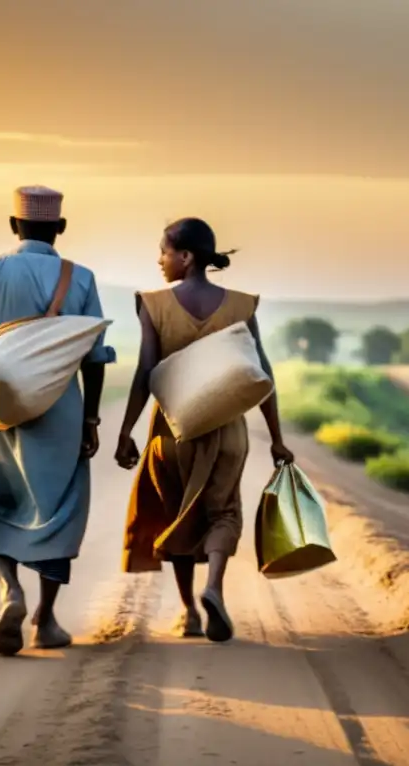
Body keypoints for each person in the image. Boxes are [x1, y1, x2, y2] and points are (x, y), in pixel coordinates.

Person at [0, 185, 115, 657]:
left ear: (14, 226)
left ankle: (9, 591)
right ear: (59, 228)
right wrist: (92, 418)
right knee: (60, 506)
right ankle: (48, 619)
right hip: (60, 411)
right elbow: (95, 356)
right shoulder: (80, 277)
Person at [115, 217, 294, 643]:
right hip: (227, 431)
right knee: (224, 512)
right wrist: (278, 437)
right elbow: (262, 374)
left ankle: (189, 611)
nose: (159, 260)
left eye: (163, 251)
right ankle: (213, 586)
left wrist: (126, 430)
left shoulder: (153, 305)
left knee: (177, 514)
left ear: (185, 256)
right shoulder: (240, 305)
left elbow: (145, 372)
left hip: (171, 434)